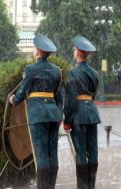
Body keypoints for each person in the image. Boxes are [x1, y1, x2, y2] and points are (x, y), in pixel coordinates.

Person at [9, 34, 63, 189]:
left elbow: (23, 90)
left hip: (38, 114)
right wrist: (60, 114)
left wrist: (14, 99)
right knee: (52, 152)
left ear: (38, 51)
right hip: (53, 114)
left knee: (41, 154)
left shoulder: (31, 69)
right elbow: (59, 95)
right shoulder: (56, 71)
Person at [63, 36, 101, 189]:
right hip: (92, 114)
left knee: (80, 153)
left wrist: (67, 120)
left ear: (78, 53)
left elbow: (70, 100)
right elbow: (94, 95)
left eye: (74, 50)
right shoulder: (94, 73)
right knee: (93, 152)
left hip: (78, 115)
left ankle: (82, 187)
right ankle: (90, 186)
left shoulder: (71, 73)